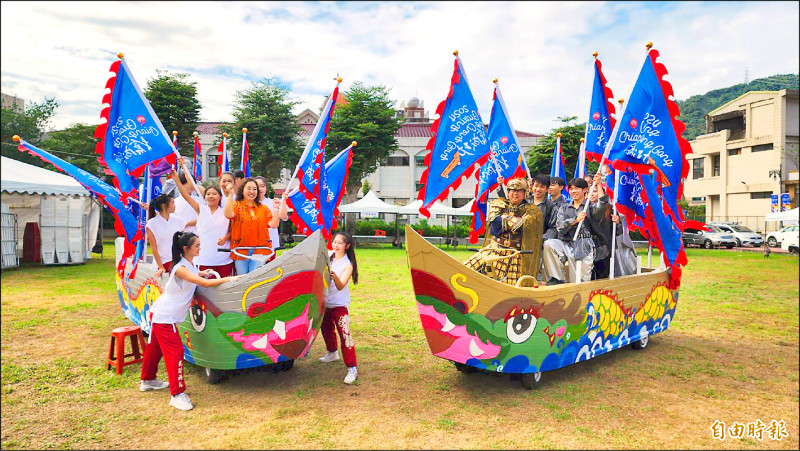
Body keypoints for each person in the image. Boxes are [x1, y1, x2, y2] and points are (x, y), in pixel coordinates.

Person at [139, 231, 240, 411]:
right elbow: (204, 284)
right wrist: (230, 278)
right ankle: (177, 394)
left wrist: (204, 271)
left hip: (160, 313)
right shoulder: (180, 268)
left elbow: (195, 274)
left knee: (155, 349)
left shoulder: (189, 264)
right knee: (175, 351)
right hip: (165, 317)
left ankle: (147, 380)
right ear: (186, 249)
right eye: (197, 246)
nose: (200, 248)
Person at [465, 177, 543, 285]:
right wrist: (516, 220)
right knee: (468, 270)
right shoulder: (499, 203)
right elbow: (495, 224)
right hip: (494, 248)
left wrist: (505, 218)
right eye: (512, 190)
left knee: (510, 285)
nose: (515, 193)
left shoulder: (533, 210)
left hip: (516, 253)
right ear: (508, 192)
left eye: (519, 191)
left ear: (525, 193)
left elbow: (524, 226)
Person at [172, 160, 234, 277]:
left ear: (220, 197)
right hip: (203, 258)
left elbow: (233, 229)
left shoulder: (227, 209)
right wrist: (178, 175)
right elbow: (186, 195)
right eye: (208, 194)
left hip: (223, 258)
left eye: (214, 194)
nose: (211, 196)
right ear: (204, 197)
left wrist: (226, 238)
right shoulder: (200, 208)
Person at [542, 175, 608, 284]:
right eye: (571, 189)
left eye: (577, 188)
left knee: (579, 281)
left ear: (585, 190)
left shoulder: (590, 206)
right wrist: (575, 220)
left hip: (584, 245)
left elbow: (602, 207)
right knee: (549, 244)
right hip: (566, 242)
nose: (573, 191)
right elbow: (560, 228)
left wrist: (599, 184)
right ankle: (556, 278)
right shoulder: (564, 208)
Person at [222, 177, 287, 275]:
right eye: (248, 188)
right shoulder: (236, 205)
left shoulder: (263, 208)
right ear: (242, 189)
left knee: (254, 277)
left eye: (254, 189)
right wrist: (230, 195)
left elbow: (273, 225)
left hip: (260, 251)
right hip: (240, 250)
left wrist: (276, 209)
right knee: (242, 278)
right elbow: (228, 214)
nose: (251, 191)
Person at [319, 232, 360, 384]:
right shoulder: (328, 256)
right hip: (325, 302)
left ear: (347, 246)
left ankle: (352, 368)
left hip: (339, 305)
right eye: (334, 242)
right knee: (326, 328)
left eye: (340, 243)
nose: (335, 245)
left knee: (345, 335)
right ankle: (332, 352)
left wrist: (334, 276)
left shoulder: (348, 265)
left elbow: (341, 285)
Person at [146, 193, 187, 278]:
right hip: (164, 261)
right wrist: (161, 267)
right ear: (164, 206)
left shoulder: (179, 221)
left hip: (179, 259)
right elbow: (154, 248)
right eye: (172, 203)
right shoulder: (151, 224)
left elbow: (184, 242)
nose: (175, 206)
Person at [254, 176, 289, 263]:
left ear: (266, 188)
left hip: (270, 244)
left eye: (262, 186)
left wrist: (283, 201)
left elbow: (283, 217)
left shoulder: (272, 202)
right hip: (252, 245)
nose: (260, 189)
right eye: (257, 186)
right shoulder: (248, 203)